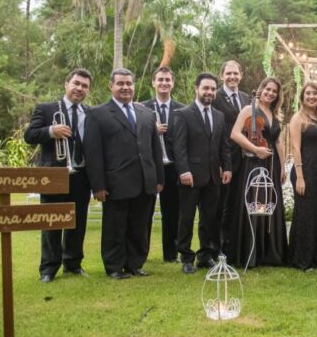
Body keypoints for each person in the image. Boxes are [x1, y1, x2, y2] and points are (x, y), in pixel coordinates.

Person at [84, 68, 164, 279]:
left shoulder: (147, 114)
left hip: (145, 181)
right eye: (120, 83)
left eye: (129, 83)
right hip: (115, 182)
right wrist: (98, 185)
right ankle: (114, 267)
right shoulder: (97, 114)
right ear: (111, 86)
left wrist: (159, 178)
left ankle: (135, 264)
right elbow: (93, 153)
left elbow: (155, 149)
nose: (125, 87)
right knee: (115, 227)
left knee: (139, 226)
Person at [24, 68, 93, 283]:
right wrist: (50, 131)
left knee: (77, 221)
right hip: (53, 175)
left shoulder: (90, 113)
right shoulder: (47, 109)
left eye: (84, 86)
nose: (79, 88)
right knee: (52, 221)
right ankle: (48, 268)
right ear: (66, 84)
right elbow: (29, 135)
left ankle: (73, 264)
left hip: (81, 175)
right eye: (76, 83)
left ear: (88, 90)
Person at [172, 73, 232, 275]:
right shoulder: (183, 114)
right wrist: (184, 170)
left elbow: (224, 145)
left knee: (209, 219)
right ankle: (186, 257)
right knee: (186, 218)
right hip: (190, 176)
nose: (210, 92)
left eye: (213, 89)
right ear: (196, 88)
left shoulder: (219, 116)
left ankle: (205, 256)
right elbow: (179, 146)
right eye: (206, 88)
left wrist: (227, 167)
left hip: (213, 177)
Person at [229, 77, 288, 267]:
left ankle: (269, 253)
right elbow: (235, 134)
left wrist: (282, 166)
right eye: (268, 89)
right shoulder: (249, 109)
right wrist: (255, 149)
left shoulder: (274, 114)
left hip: (272, 164)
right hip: (254, 163)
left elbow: (278, 141)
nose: (270, 93)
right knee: (255, 203)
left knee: (269, 204)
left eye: (274, 91)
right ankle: (252, 252)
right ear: (261, 89)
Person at [140, 67, 184, 263]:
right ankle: (141, 253)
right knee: (144, 212)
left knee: (172, 212)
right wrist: (152, 129)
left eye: (167, 80)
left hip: (173, 167)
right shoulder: (142, 108)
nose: (164, 83)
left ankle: (171, 254)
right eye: (160, 79)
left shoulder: (182, 109)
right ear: (153, 82)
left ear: (172, 83)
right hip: (149, 167)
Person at [288, 81, 317, 270]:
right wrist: (300, 176)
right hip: (304, 171)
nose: (312, 96)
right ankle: (302, 258)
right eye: (308, 93)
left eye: (315, 94)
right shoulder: (298, 118)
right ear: (302, 97)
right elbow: (295, 148)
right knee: (305, 213)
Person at [212, 60, 251, 255]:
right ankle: (218, 246)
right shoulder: (215, 97)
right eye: (228, 73)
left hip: (244, 159)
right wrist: (219, 161)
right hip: (224, 159)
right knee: (221, 205)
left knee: (237, 203)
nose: (232, 77)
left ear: (241, 75)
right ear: (222, 76)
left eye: (235, 73)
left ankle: (234, 245)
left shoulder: (246, 98)